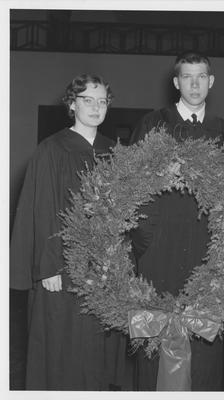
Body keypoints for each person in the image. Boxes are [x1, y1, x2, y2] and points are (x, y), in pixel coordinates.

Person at [129, 51, 224, 391]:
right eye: (187, 77)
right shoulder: (153, 125)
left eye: (201, 77)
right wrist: (146, 239)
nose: (194, 84)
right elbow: (131, 189)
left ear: (210, 82)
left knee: (205, 348)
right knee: (154, 342)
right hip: (159, 251)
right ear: (176, 82)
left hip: (207, 252)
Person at [10, 74, 132, 390]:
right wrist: (48, 266)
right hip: (62, 270)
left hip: (105, 271)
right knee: (63, 350)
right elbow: (42, 208)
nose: (95, 107)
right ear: (71, 104)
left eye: (102, 101)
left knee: (97, 351)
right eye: (87, 100)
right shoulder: (51, 150)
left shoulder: (115, 151)